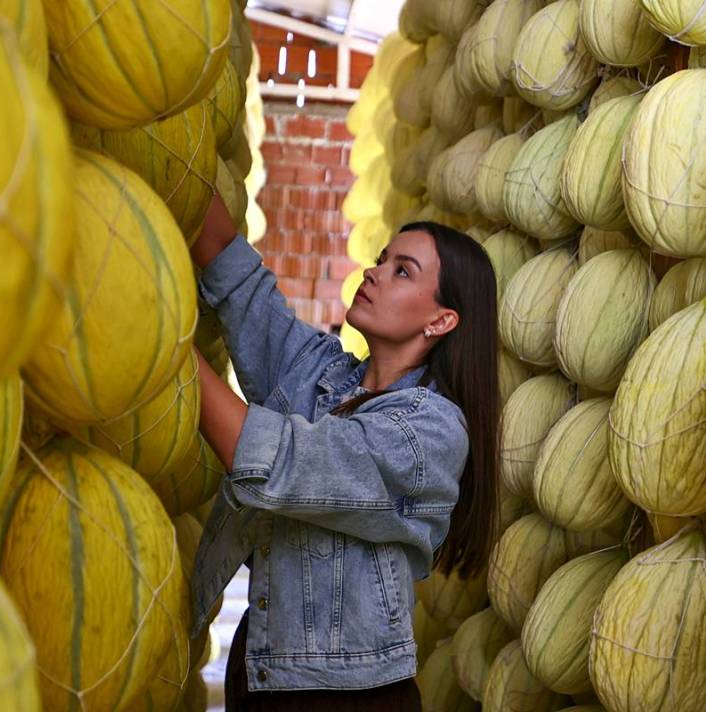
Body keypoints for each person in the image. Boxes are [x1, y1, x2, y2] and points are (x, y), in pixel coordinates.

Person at [189, 193, 501, 711]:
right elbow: (232, 269)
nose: (374, 273)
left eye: (403, 271)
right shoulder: (319, 370)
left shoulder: (429, 434)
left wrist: (166, 342)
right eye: (381, 259)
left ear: (441, 321)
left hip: (349, 699)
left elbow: (273, 460)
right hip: (262, 674)